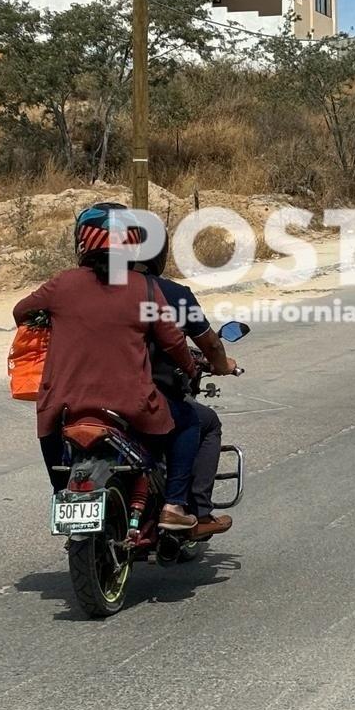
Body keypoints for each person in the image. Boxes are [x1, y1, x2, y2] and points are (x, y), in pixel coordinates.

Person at [12, 204, 201, 531]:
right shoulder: (145, 289)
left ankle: (63, 493)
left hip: (62, 406)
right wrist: (192, 369)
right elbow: (173, 342)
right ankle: (173, 505)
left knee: (51, 442)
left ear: (82, 242)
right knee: (188, 423)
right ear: (131, 244)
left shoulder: (62, 284)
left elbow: (21, 312)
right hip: (129, 405)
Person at [137, 229, 238, 541]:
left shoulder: (93, 293)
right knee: (202, 422)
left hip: (89, 396)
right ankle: (194, 509)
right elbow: (210, 344)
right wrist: (223, 366)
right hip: (149, 397)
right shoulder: (173, 295)